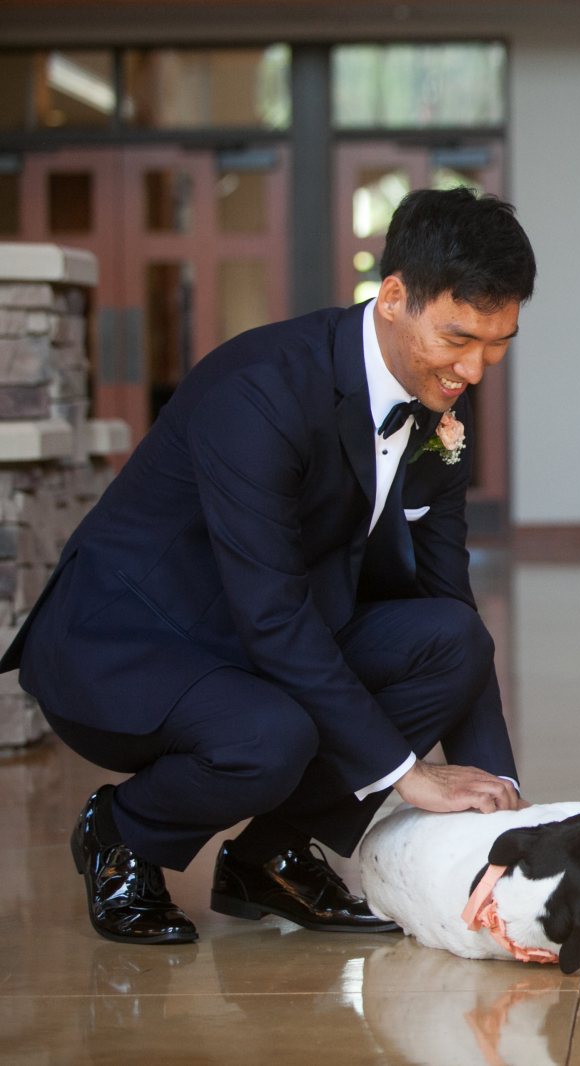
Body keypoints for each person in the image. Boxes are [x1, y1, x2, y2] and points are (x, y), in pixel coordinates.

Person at [2, 187, 534, 945]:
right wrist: (410, 775)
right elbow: (273, 615)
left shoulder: (439, 396)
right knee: (271, 737)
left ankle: (270, 857)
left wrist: (504, 815)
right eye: (459, 338)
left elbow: (447, 592)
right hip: (132, 643)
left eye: (498, 343)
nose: (475, 370)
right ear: (392, 298)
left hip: (262, 633)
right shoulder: (260, 389)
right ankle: (123, 831)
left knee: (450, 640)